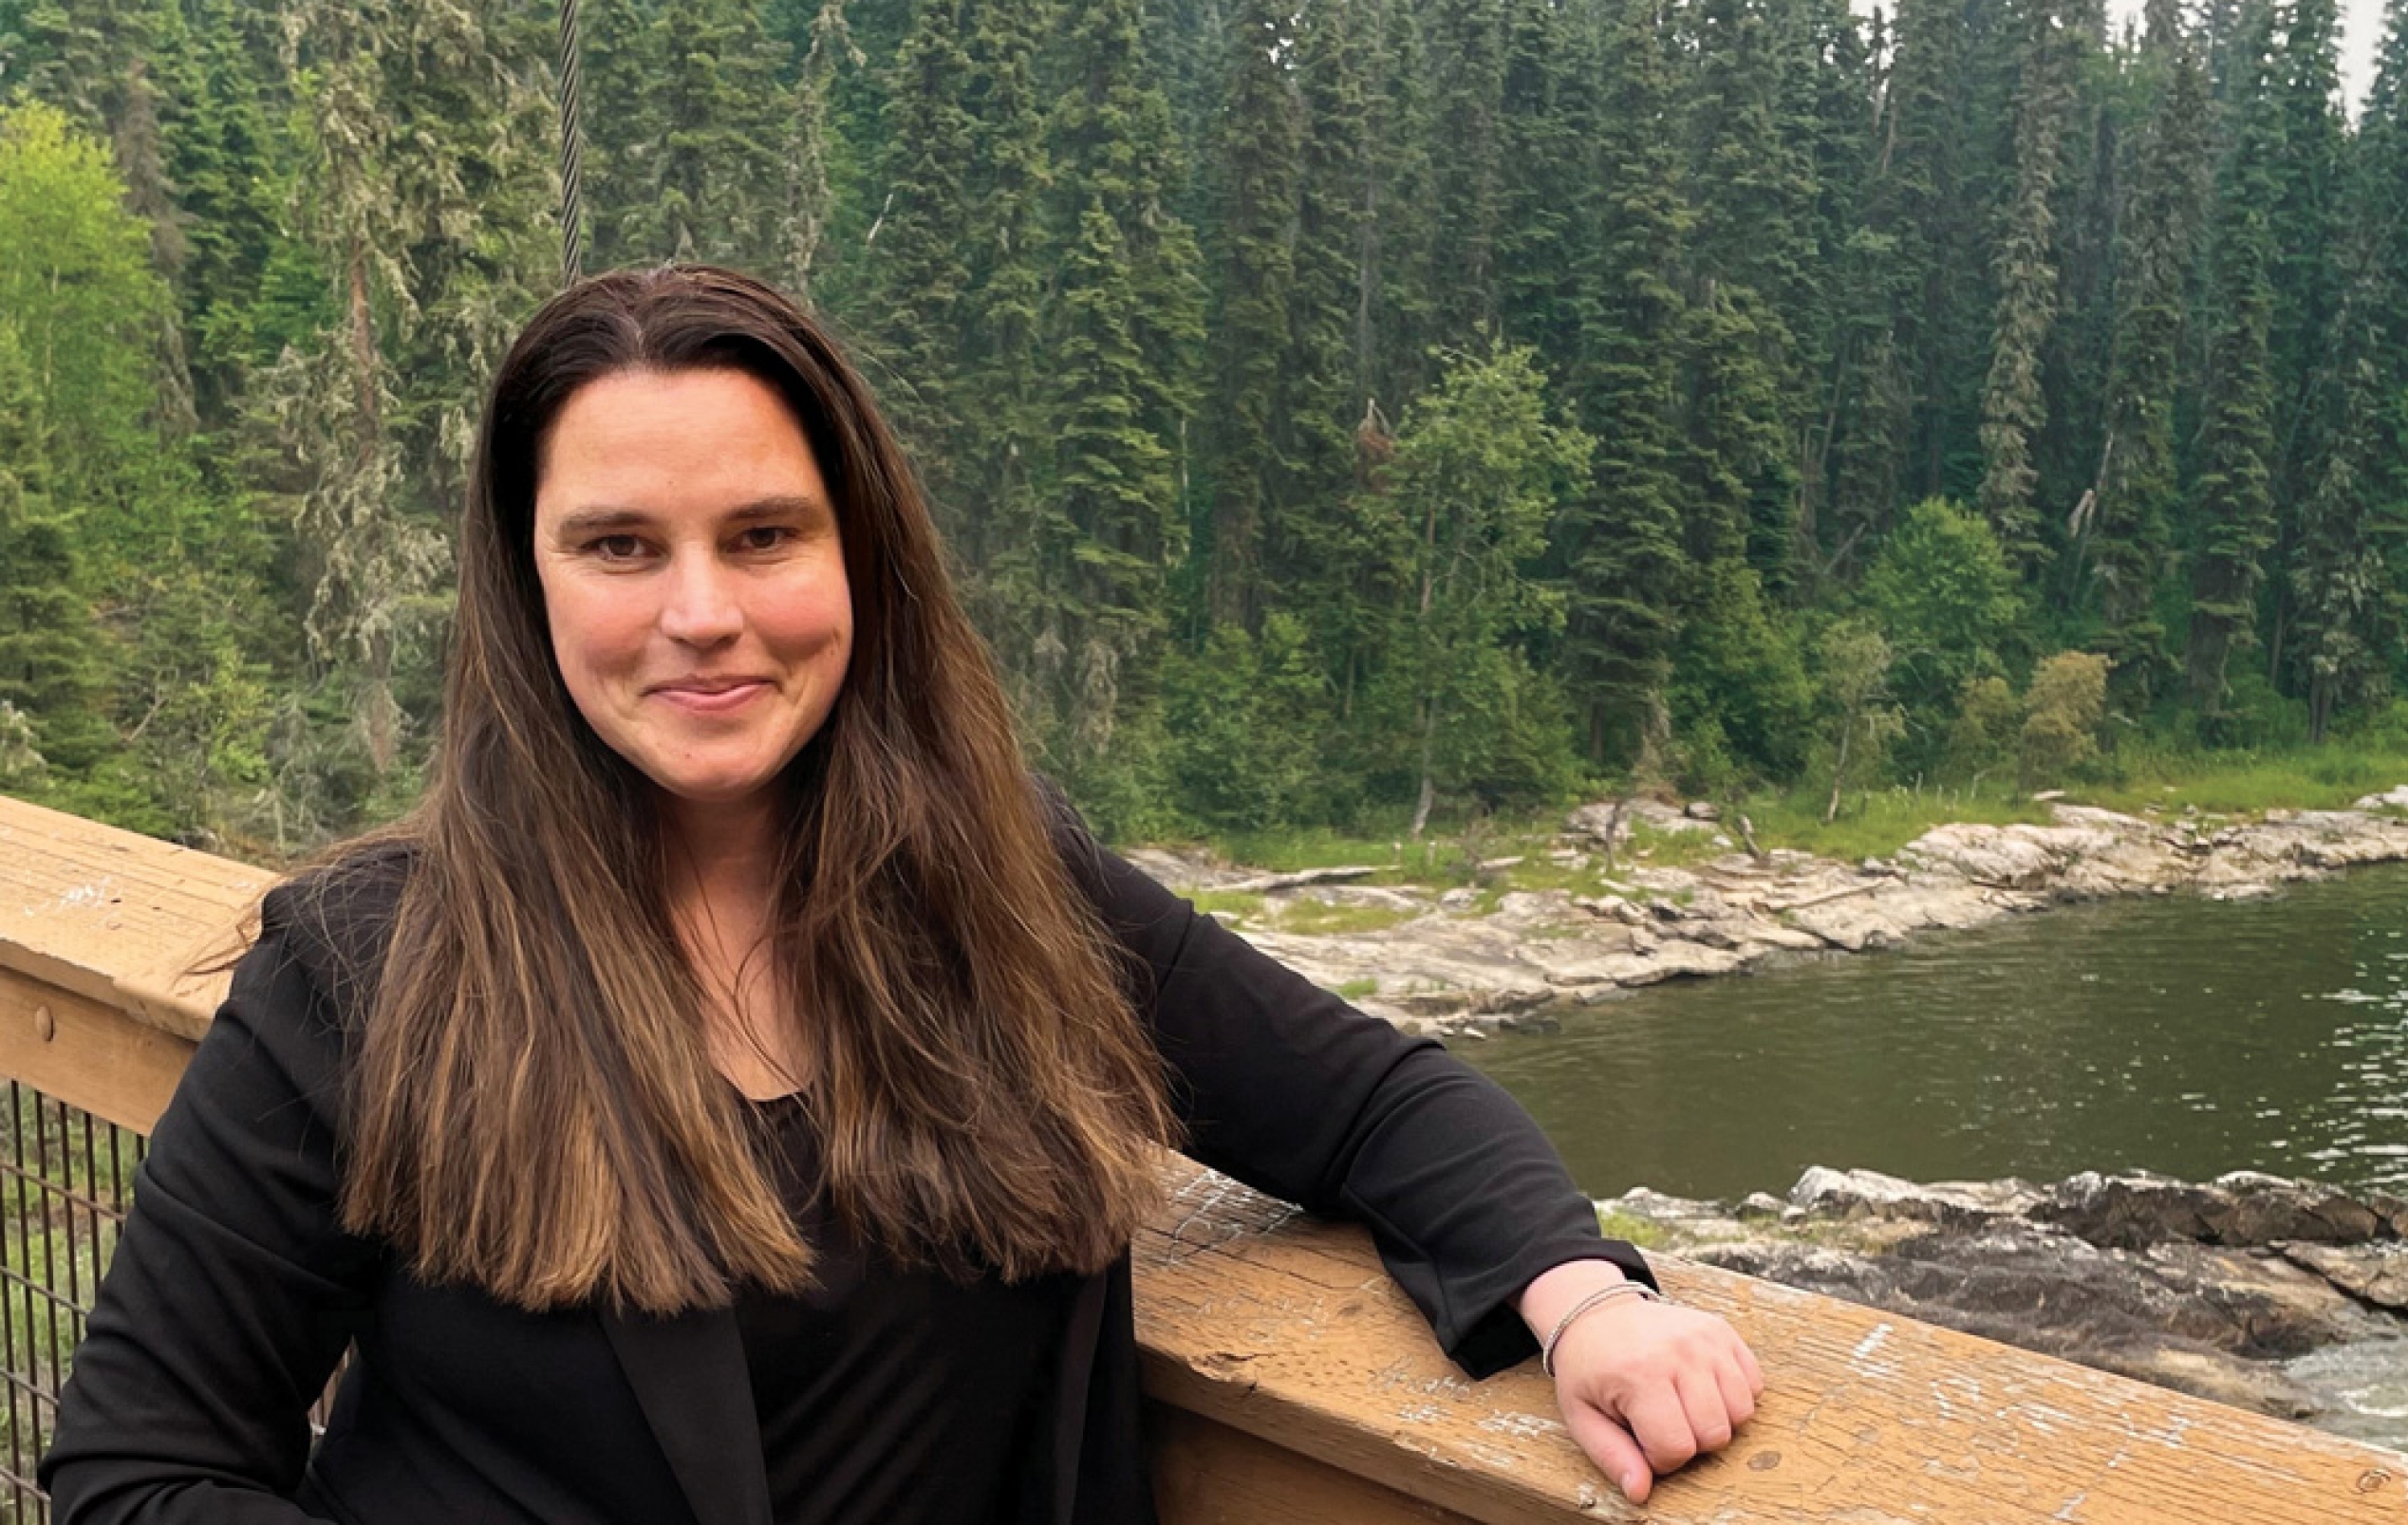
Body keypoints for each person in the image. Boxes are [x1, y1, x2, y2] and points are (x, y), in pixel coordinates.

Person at [42, 266, 1760, 1524]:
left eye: (766, 536)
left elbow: (1370, 1099)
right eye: (621, 545)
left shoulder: (1001, 897)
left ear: (860, 555)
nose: (701, 613)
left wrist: (1586, 1303)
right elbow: (142, 1470)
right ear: (527, 579)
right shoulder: (371, 972)